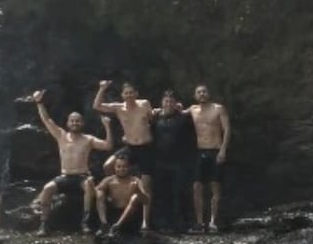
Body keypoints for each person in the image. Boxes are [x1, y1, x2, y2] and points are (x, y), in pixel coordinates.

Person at [32, 89, 114, 235]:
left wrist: (107, 126)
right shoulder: (61, 135)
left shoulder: (88, 139)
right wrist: (39, 102)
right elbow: (46, 120)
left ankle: (85, 221)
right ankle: (44, 224)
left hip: (82, 177)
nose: (75, 123)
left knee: (89, 184)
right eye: (72, 121)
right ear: (68, 123)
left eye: (78, 121)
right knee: (47, 188)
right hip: (64, 177)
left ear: (82, 123)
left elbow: (108, 146)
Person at [94, 80, 154, 232]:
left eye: (131, 92)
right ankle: (115, 193)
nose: (129, 96)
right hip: (130, 147)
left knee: (146, 184)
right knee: (107, 165)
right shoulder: (118, 108)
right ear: (122, 95)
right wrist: (102, 89)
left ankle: (145, 222)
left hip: (146, 147)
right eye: (126, 93)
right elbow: (97, 106)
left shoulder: (144, 104)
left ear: (136, 94)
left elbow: (152, 118)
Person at [184, 84, 231, 233]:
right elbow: (175, 112)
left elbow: (227, 129)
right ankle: (199, 223)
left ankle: (212, 222)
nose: (202, 94)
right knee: (197, 186)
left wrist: (223, 150)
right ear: (195, 96)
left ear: (208, 94)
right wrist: (157, 111)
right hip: (200, 151)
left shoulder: (218, 108)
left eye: (204, 91)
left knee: (215, 186)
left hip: (215, 150)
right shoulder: (192, 109)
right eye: (199, 92)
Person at [151, 90, 196, 232]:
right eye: (166, 101)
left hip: (179, 161)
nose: (168, 104)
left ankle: (182, 223)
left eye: (171, 101)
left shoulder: (183, 118)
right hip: (160, 161)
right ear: (162, 103)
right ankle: (164, 224)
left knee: (180, 192)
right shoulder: (156, 118)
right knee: (163, 194)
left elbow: (194, 133)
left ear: (176, 104)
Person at [95, 155, 149, 238]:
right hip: (114, 213)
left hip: (130, 217)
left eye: (124, 167)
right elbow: (95, 192)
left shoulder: (135, 180)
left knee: (135, 197)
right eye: (119, 167)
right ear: (114, 168)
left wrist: (137, 191)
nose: (121, 169)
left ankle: (117, 226)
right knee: (100, 193)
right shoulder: (109, 180)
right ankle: (104, 224)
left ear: (129, 168)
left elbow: (146, 200)